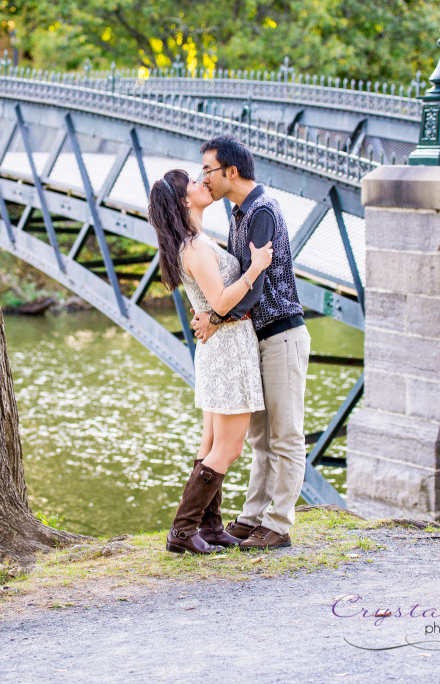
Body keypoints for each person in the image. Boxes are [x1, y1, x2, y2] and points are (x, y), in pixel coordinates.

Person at [192, 136, 311, 552]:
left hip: (281, 333)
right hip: (255, 337)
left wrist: (216, 317)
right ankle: (252, 516)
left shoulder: (261, 211)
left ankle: (278, 523)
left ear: (231, 171)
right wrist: (210, 312)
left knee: (286, 436)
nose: (204, 178)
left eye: (208, 170)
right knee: (261, 439)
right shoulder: (239, 215)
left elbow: (256, 284)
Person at [147, 169, 273, 555]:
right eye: (195, 184)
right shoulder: (195, 247)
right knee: (229, 449)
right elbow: (219, 302)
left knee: (211, 443)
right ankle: (182, 531)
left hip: (222, 348)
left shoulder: (194, 242)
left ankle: (211, 526)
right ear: (185, 201)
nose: (204, 184)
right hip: (228, 350)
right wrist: (255, 267)